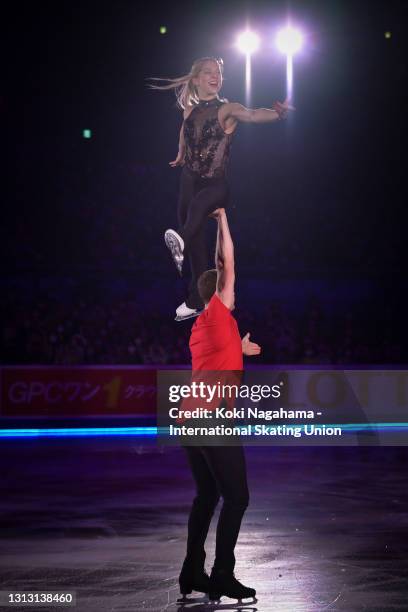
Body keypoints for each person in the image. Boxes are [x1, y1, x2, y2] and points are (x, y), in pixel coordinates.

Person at [149, 56, 293, 320]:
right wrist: (181, 153)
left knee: (195, 211)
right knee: (196, 252)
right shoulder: (189, 111)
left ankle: (179, 238)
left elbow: (252, 114)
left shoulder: (228, 109)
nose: (215, 76)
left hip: (215, 185)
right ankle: (196, 300)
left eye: (218, 73)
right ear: (196, 79)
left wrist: (277, 114)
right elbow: (185, 131)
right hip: (188, 181)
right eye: (208, 72)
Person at [178, 207, 261, 602]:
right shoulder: (216, 310)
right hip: (210, 418)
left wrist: (239, 349)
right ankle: (222, 574)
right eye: (229, 290)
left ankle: (192, 571)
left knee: (208, 496)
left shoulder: (204, 327)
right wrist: (224, 220)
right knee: (238, 497)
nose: (234, 293)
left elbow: (217, 360)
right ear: (219, 294)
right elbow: (225, 259)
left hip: (190, 418)